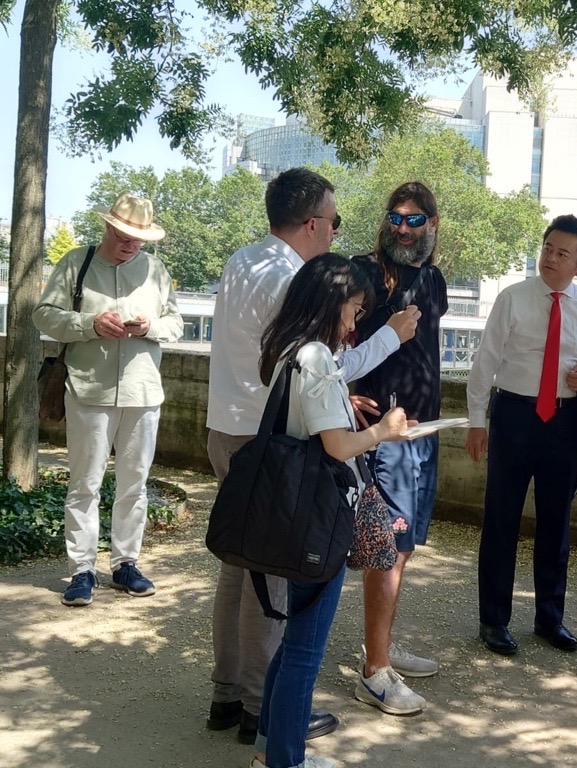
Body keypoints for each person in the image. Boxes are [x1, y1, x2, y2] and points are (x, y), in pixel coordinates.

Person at [205, 168, 420, 742]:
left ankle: (228, 694)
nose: (334, 234)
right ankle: (262, 708)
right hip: (271, 443)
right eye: (333, 222)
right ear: (312, 223)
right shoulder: (292, 278)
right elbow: (319, 361)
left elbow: (274, 360)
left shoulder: (241, 261)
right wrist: (392, 336)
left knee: (239, 564)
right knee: (272, 576)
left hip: (229, 426)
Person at [252, 253, 411, 768]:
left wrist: (385, 340)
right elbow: (339, 447)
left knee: (293, 640)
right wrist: (382, 432)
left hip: (289, 512)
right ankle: (286, 760)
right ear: (334, 301)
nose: (354, 321)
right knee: (304, 650)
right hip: (318, 519)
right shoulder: (316, 354)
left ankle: (269, 748)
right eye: (355, 309)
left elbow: (332, 389)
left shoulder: (289, 348)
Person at [33, 193, 183, 607]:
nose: (130, 244)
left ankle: (125, 564)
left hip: (142, 392)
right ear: (108, 227)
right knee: (84, 483)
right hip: (87, 390)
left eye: (138, 239)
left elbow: (176, 323)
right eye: (123, 236)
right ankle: (81, 570)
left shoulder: (155, 270)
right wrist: (89, 323)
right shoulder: (76, 263)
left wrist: (150, 325)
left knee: (134, 485)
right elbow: (42, 315)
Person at [466, 214, 577, 655]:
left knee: (555, 525)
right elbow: (484, 362)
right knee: (501, 520)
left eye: (563, 253)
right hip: (514, 416)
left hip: (565, 423)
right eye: (547, 248)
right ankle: (494, 621)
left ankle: (550, 618)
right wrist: (475, 421)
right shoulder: (513, 299)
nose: (551, 258)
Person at [348, 181, 447, 715]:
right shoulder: (362, 272)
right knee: (386, 548)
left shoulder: (432, 279)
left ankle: (378, 644)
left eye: (415, 219)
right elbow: (329, 338)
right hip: (384, 435)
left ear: (432, 224)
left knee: (402, 548)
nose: (403, 228)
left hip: (422, 431)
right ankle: (375, 671)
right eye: (396, 217)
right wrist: (343, 390)